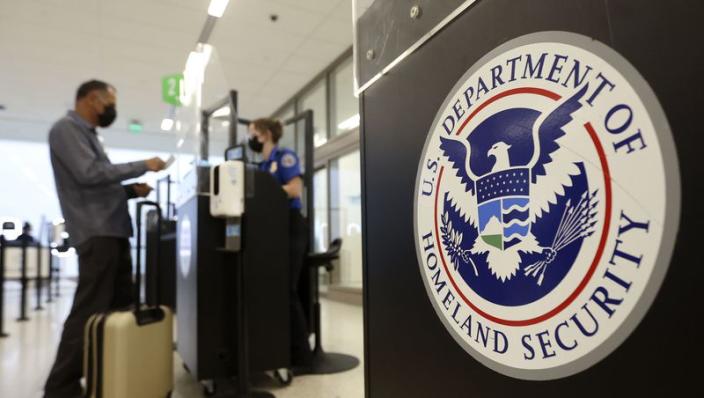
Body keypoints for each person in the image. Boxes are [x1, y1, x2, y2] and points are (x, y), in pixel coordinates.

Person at [44, 80, 166, 398]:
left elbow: (98, 182)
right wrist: (143, 165)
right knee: (89, 311)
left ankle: (109, 373)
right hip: (97, 233)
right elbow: (88, 174)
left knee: (117, 310)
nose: (112, 108)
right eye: (110, 101)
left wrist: (129, 190)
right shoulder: (66, 129)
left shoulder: (88, 136)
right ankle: (61, 388)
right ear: (92, 99)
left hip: (112, 231)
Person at [248, 118, 313, 370]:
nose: (250, 139)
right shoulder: (263, 165)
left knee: (286, 290)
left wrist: (267, 193)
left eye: (252, 134)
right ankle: (280, 349)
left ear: (264, 134)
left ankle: (302, 357)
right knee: (275, 290)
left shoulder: (285, 157)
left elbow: (295, 189)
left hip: (291, 226)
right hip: (273, 228)